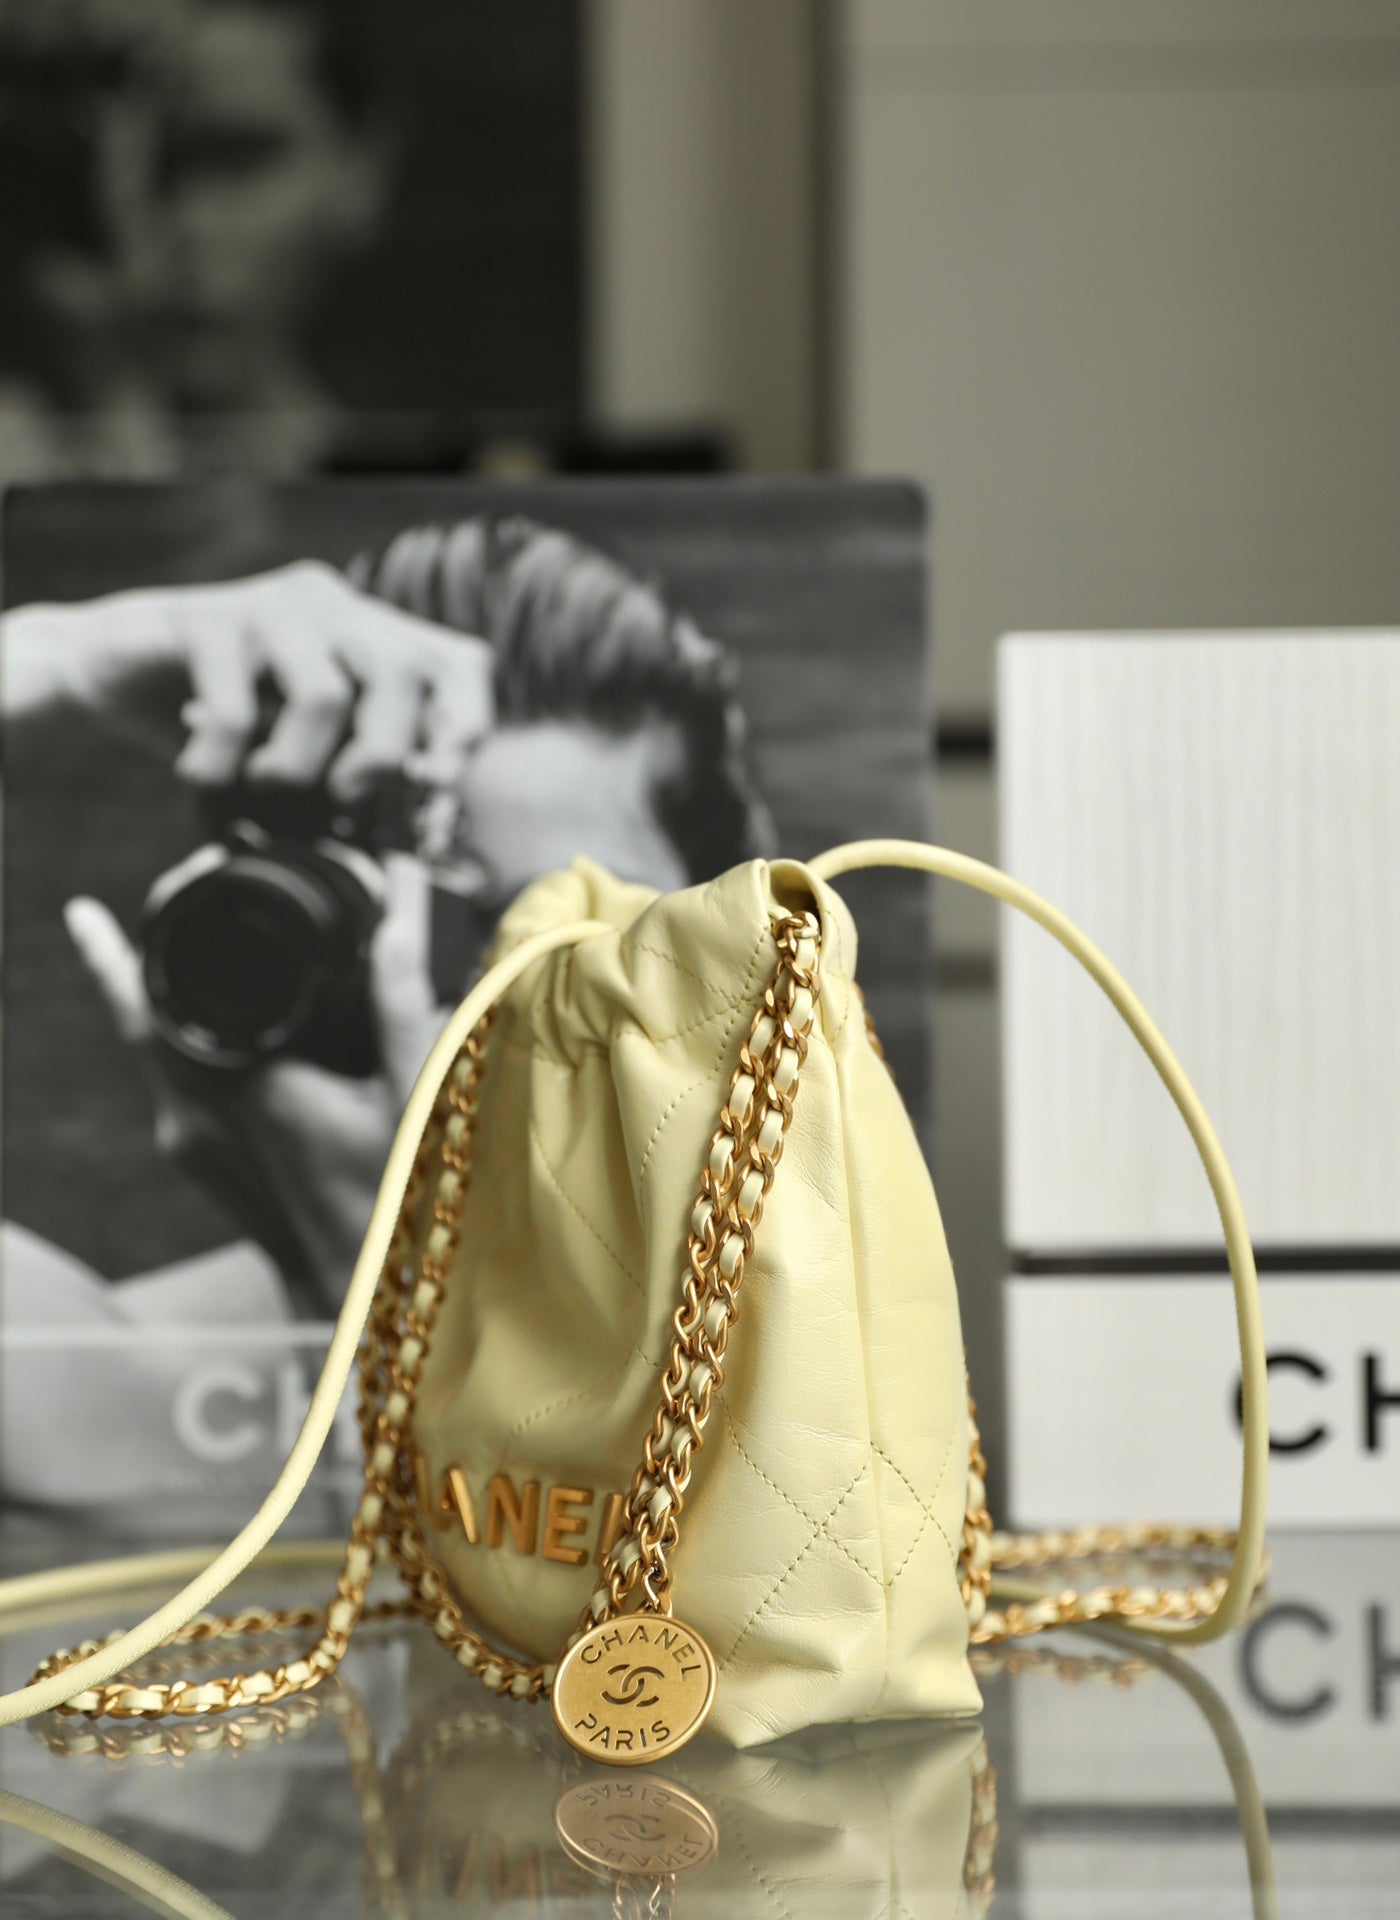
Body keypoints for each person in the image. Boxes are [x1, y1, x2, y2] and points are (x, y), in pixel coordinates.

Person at [0, 519, 772, 1504]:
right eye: (421, 932)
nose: (475, 1014)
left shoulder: (840, 1391)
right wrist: (62, 660)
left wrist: (383, 1294)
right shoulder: (108, 1397)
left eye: (568, 937)